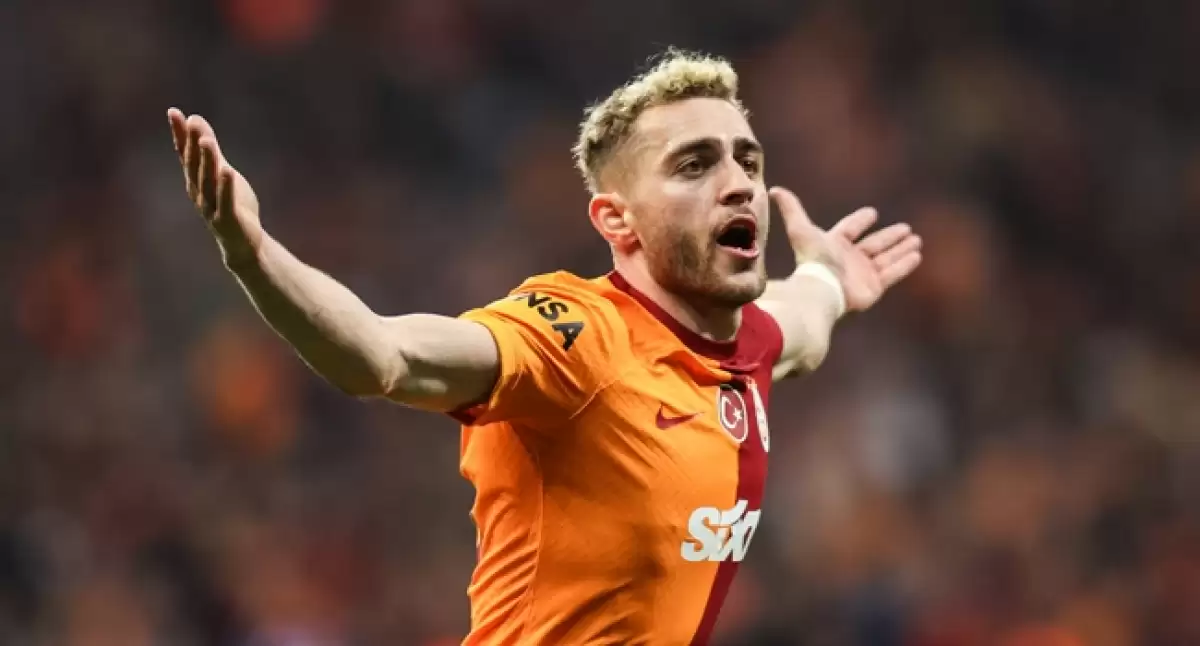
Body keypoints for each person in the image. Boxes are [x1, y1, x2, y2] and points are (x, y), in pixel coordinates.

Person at [167, 48, 921, 646]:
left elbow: (802, 323)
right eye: (695, 164)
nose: (738, 184)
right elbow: (382, 355)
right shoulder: (576, 337)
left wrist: (828, 275)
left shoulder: (750, 341)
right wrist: (254, 255)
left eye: (747, 161)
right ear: (617, 221)